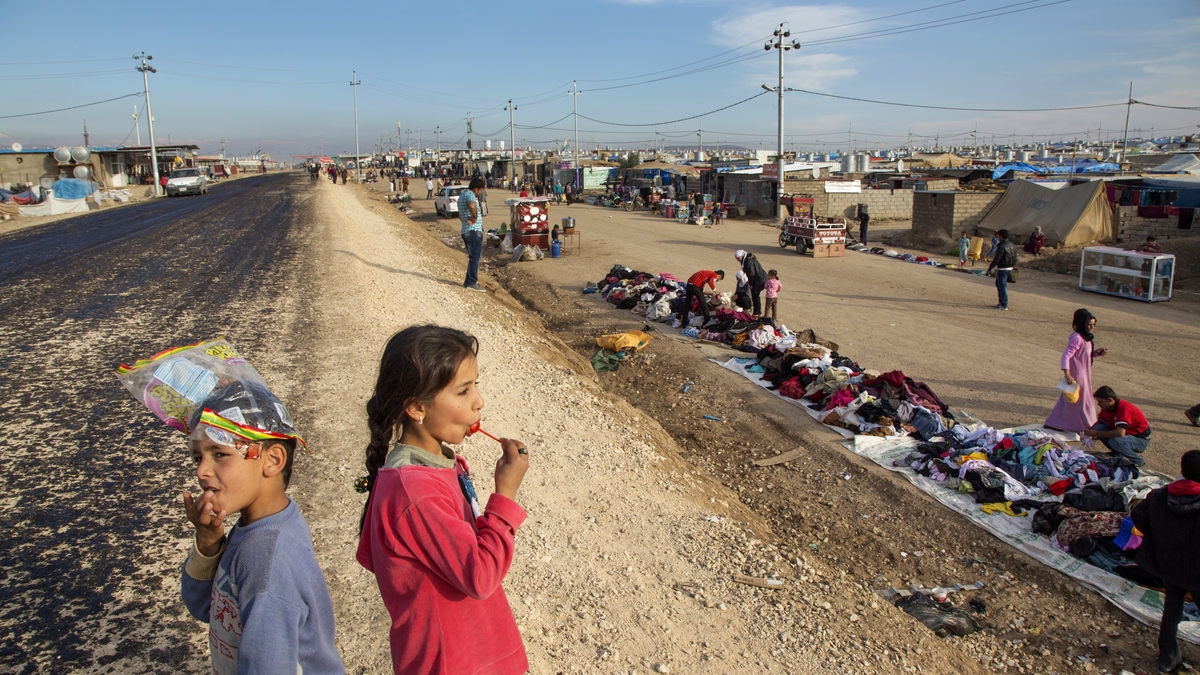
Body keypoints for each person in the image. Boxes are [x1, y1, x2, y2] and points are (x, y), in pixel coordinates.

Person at [356, 326, 530, 675]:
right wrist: (505, 495)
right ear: (417, 407)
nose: (478, 401)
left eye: (476, 385)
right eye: (464, 391)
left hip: (478, 654)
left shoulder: (435, 465)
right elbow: (480, 576)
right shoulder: (413, 490)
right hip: (454, 663)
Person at [179, 381, 344, 674]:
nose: (201, 471)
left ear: (272, 460)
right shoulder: (261, 525)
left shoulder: (265, 558)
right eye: (198, 456)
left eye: (219, 454)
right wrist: (207, 543)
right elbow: (206, 607)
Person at [1130, 450, 1200, 673]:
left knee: (1172, 609)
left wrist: (1159, 538)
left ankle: (1167, 658)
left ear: (1181, 471)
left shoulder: (1159, 496)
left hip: (1169, 565)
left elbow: (1139, 517)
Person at [1045, 309, 1108, 432]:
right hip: (1078, 375)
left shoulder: (1087, 338)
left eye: (1093, 325)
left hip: (1085, 374)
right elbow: (1066, 355)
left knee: (1069, 400)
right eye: (1089, 325)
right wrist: (1067, 374)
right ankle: (1087, 425)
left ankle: (1057, 423)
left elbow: (1084, 355)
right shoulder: (1077, 338)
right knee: (1081, 400)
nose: (1092, 327)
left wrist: (1097, 353)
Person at [1082, 386, 1152, 465]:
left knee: (1115, 441)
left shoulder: (1124, 409)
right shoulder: (1107, 407)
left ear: (1110, 400)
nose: (1098, 404)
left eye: (1100, 401)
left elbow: (1120, 433)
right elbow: (1100, 422)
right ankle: (1117, 454)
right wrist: (1088, 433)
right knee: (1098, 428)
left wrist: (1096, 433)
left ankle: (1138, 462)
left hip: (1140, 440)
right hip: (1128, 435)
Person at [458, 177, 487, 292]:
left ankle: (468, 281)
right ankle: (472, 282)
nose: (480, 193)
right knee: (475, 257)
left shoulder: (462, 196)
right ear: (475, 189)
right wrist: (475, 216)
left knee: (473, 257)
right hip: (473, 231)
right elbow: (471, 205)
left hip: (466, 229)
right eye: (480, 191)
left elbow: (461, 215)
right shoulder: (470, 195)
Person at [986, 228, 1017, 310]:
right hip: (1009, 267)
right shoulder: (1012, 245)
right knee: (999, 284)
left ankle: (1004, 304)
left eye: (998, 235)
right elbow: (1015, 257)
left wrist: (990, 268)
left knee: (1002, 285)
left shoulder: (1001, 246)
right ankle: (1002, 302)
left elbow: (997, 259)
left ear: (1001, 236)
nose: (997, 237)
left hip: (1003, 268)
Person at [734, 249, 768, 316]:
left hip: (759, 280)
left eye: (738, 258)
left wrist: (751, 284)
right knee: (756, 296)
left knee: (755, 296)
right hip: (758, 279)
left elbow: (751, 273)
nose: (738, 260)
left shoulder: (748, 261)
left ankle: (757, 312)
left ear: (742, 256)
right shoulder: (747, 260)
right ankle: (757, 312)